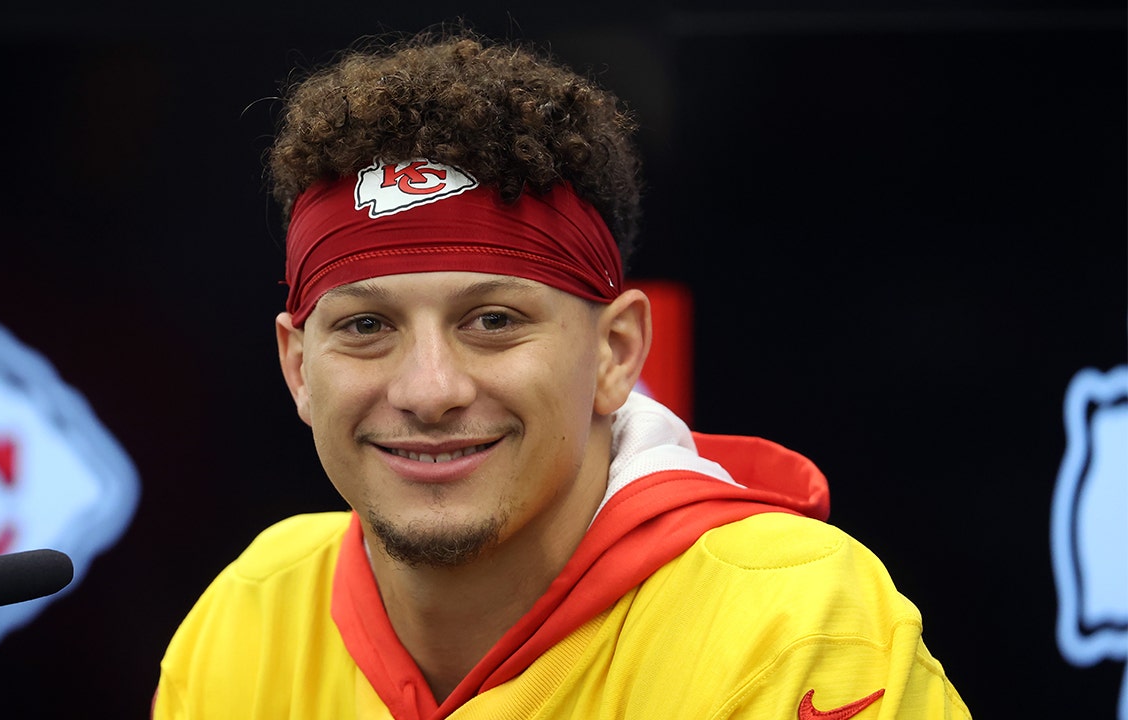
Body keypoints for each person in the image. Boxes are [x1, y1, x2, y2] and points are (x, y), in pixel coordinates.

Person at [153, 28, 971, 719]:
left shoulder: (793, 626)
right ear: (298, 366)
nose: (429, 390)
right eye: (367, 327)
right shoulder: (249, 616)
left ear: (616, 353)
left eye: (493, 322)